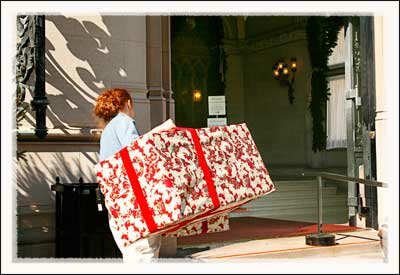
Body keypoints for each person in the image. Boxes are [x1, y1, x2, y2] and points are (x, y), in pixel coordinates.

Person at [94, 88, 166, 262]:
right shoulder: (124, 122)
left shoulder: (108, 129)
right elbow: (137, 154)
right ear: (128, 104)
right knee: (144, 253)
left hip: (118, 201)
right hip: (135, 202)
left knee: (132, 253)